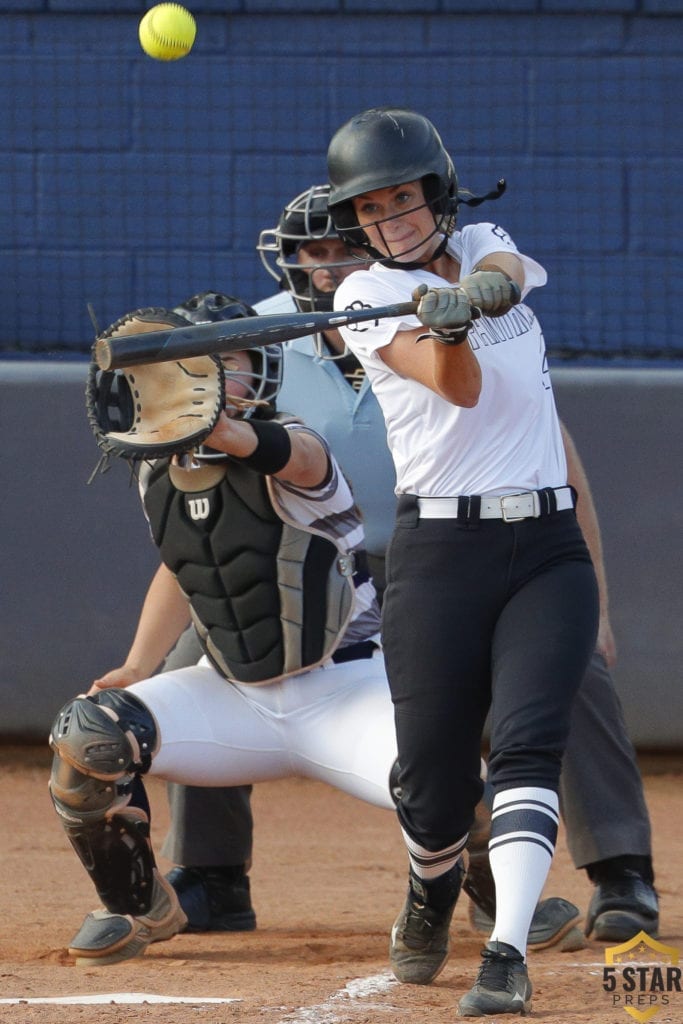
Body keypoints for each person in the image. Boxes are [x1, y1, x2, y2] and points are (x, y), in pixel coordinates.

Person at [160, 187, 659, 949]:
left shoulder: (433, 303)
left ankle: (618, 871)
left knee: (576, 664)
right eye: (312, 253)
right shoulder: (253, 340)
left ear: (381, 246)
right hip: (309, 557)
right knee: (203, 650)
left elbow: (555, 461)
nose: (327, 268)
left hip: (455, 548)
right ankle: (211, 874)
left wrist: (597, 596)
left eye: (343, 250)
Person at [325, 106, 601, 1016]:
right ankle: (431, 884)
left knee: (527, 743)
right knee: (434, 778)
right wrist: (442, 330)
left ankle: (506, 951)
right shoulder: (360, 297)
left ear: (437, 195)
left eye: (403, 198)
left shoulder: (484, 236)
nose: (389, 219)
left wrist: (475, 293)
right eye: (370, 209)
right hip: (441, 552)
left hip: (547, 549)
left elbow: (504, 270)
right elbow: (461, 386)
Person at [48, 302, 402, 966]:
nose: (201, 381)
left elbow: (276, 453)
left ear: (261, 371)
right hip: (232, 696)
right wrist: (137, 665)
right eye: (186, 369)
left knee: (442, 788)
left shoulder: (298, 442)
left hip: (345, 690)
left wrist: (209, 414)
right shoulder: (160, 469)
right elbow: (180, 567)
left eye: (222, 365)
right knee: (88, 733)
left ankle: (500, 901)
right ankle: (137, 905)